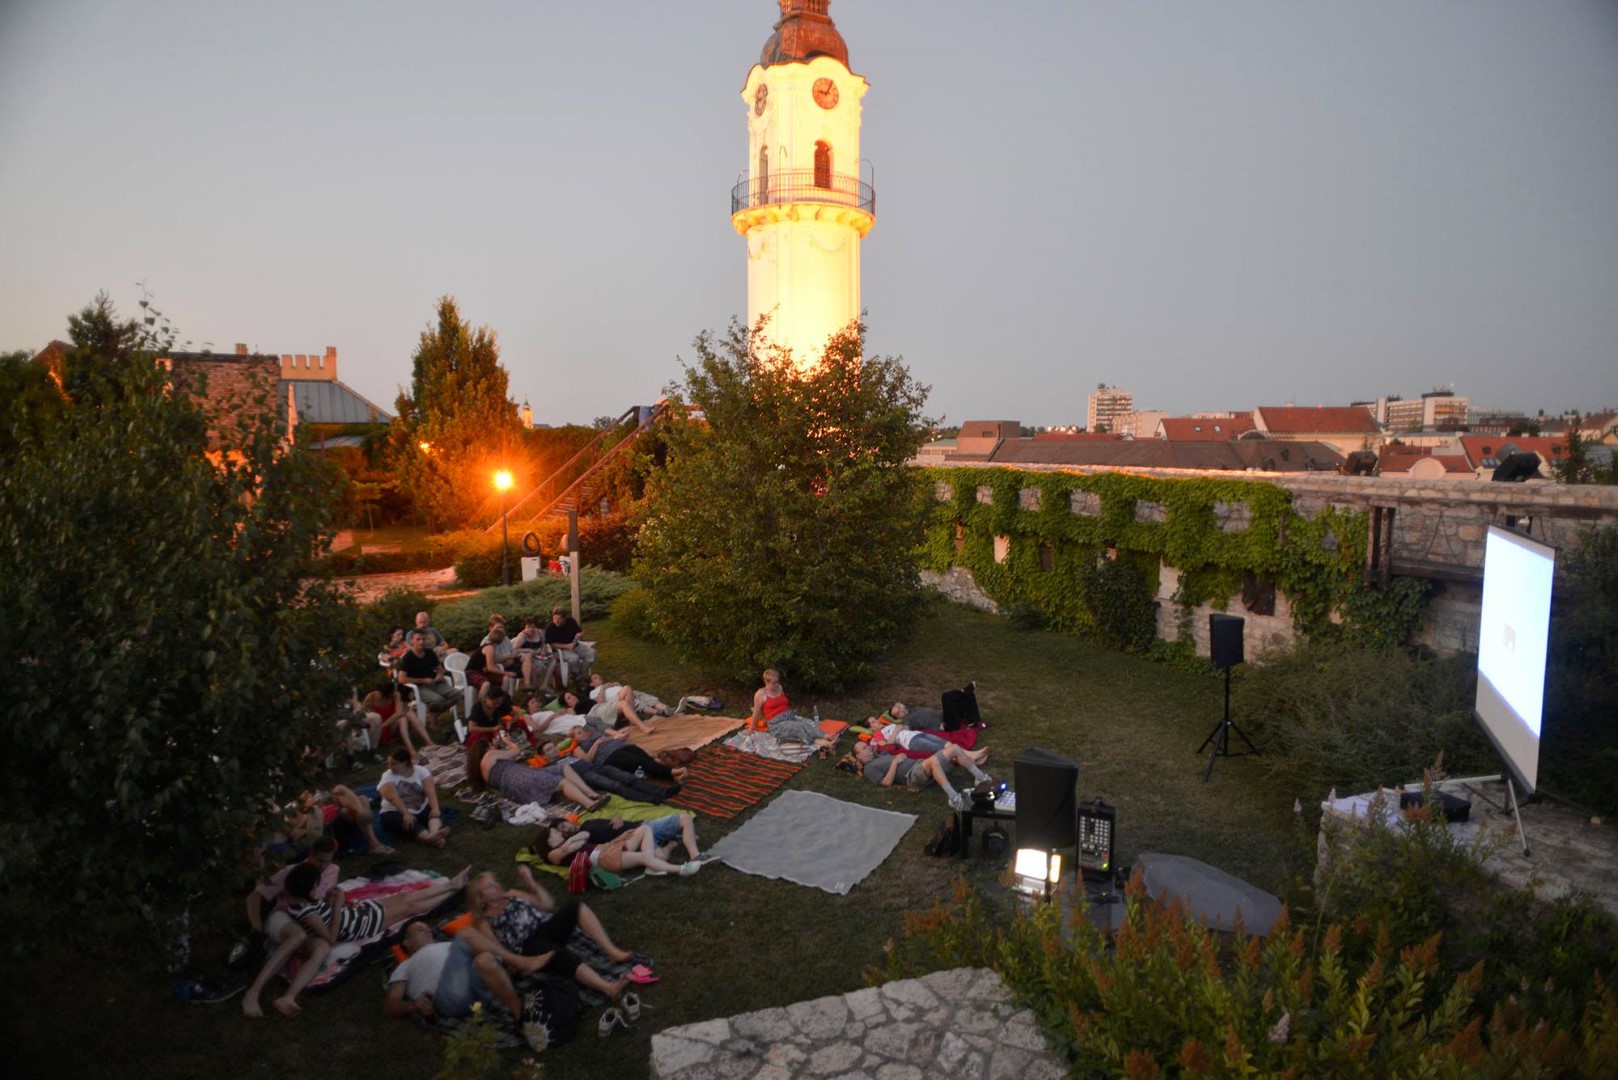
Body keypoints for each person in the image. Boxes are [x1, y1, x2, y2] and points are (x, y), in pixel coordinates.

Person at [466, 868, 639, 1009]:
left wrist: (531, 883)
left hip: (547, 926)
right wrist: (514, 965)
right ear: (481, 898)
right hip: (528, 944)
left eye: (494, 881)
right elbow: (498, 950)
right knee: (557, 954)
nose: (496, 885)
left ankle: (613, 951)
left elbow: (547, 905)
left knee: (575, 905)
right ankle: (608, 988)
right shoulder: (484, 921)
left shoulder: (512, 894)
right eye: (489, 886)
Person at [383, 919, 550, 1054]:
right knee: (467, 935)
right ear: (407, 943)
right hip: (448, 996)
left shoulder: (446, 945)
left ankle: (522, 1017)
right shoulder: (405, 965)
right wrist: (414, 1004)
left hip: (477, 982)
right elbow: (390, 1005)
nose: (428, 930)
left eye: (427, 927)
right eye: (420, 930)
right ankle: (520, 963)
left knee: (483, 958)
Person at [241, 837, 340, 1019]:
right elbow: (254, 896)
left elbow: (319, 902)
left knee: (323, 947)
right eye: (319, 860)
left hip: (309, 918)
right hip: (285, 916)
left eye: (328, 860)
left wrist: (330, 900)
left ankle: (289, 996)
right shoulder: (291, 872)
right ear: (310, 855)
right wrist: (257, 926)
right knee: (298, 935)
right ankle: (253, 992)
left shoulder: (332, 870)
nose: (323, 865)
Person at [284, 861, 471, 947]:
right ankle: (453, 891)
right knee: (410, 908)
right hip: (358, 925)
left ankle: (450, 885)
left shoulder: (301, 899)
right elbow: (330, 938)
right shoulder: (305, 911)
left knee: (405, 897)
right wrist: (336, 906)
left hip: (355, 912)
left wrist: (330, 900)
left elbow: (324, 911)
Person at [467, 735, 608, 810]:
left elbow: (510, 760)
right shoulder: (490, 755)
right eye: (490, 746)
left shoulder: (482, 769)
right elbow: (516, 751)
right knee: (560, 781)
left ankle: (591, 793)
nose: (492, 747)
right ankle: (589, 803)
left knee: (562, 767)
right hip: (519, 776)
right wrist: (508, 741)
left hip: (513, 785)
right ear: (485, 749)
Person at [850, 738, 993, 810]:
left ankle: (981, 778)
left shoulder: (880, 755)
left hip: (919, 764)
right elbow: (886, 783)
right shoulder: (869, 768)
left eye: (866, 745)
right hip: (912, 775)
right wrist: (895, 763)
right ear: (858, 756)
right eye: (864, 748)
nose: (868, 747)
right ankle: (954, 798)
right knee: (933, 762)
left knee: (954, 748)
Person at [540, 814, 700, 877]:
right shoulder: (553, 854)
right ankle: (680, 869)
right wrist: (569, 842)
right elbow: (570, 848)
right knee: (649, 856)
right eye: (557, 832)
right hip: (604, 857)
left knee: (645, 829)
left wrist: (617, 826)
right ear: (548, 842)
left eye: (562, 827)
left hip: (612, 846)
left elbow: (584, 838)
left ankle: (655, 863)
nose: (561, 832)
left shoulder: (586, 825)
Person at [749, 669, 837, 750]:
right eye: (774, 682)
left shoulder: (779, 687)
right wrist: (751, 729)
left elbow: (782, 704)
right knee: (799, 727)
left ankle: (826, 736)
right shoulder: (760, 694)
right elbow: (756, 712)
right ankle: (822, 742)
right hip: (776, 724)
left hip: (788, 716)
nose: (776, 684)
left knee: (805, 724)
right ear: (766, 681)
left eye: (777, 681)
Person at [378, 748, 451, 847]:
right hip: (396, 810)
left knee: (435, 812)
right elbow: (394, 798)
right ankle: (428, 838)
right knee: (406, 822)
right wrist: (406, 814)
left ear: (405, 763)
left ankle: (434, 833)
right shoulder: (387, 776)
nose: (390, 767)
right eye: (389, 763)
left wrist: (435, 808)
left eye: (394, 764)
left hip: (420, 807)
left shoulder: (421, 771)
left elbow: (430, 791)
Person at [571, 727, 689, 783]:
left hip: (622, 747)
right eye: (578, 733)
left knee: (647, 760)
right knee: (640, 762)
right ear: (573, 738)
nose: (583, 732)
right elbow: (587, 760)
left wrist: (618, 736)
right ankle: (673, 772)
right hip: (610, 756)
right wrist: (596, 744)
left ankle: (674, 778)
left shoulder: (595, 735)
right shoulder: (578, 747)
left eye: (582, 730)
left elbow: (611, 738)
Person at [396, 629, 460, 724]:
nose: (421, 642)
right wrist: (423, 680)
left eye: (423, 639)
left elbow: (440, 669)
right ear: (411, 641)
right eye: (418, 639)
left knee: (457, 695)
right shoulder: (407, 658)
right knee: (438, 700)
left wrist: (439, 675)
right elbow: (401, 679)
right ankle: (433, 714)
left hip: (434, 682)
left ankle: (434, 714)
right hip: (418, 687)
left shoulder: (429, 653)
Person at [361, 676, 435, 754]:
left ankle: (428, 742)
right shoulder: (371, 697)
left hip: (388, 724)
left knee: (409, 714)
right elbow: (363, 714)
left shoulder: (395, 695)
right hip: (378, 727)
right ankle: (411, 749)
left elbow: (399, 712)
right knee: (403, 718)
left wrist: (384, 724)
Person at [562, 688, 656, 736]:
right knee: (623, 704)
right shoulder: (570, 709)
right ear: (567, 704)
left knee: (627, 689)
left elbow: (600, 700)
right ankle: (642, 726)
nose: (573, 697)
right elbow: (575, 719)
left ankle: (632, 722)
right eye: (569, 698)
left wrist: (602, 687)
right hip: (594, 713)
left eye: (572, 695)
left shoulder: (584, 700)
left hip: (602, 705)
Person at [542, 604, 596, 681]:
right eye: (555, 618)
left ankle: (579, 675)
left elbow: (578, 633)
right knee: (574, 658)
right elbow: (551, 644)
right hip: (560, 650)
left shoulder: (571, 622)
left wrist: (578, 637)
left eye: (559, 619)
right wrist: (566, 646)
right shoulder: (550, 628)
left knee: (592, 653)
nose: (557, 621)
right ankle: (575, 675)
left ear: (565, 618)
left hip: (574, 645)